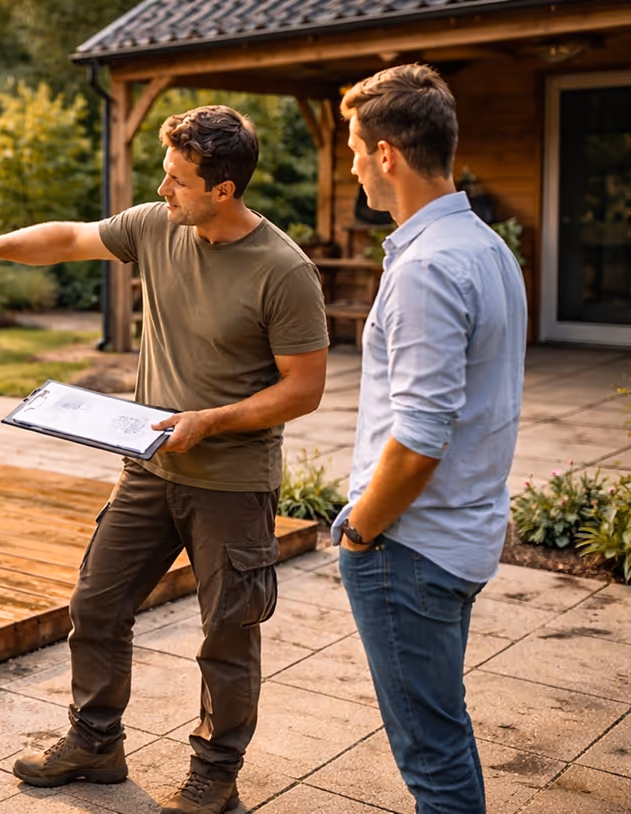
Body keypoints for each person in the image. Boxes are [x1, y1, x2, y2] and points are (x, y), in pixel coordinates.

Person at [0, 105, 329, 814]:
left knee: (227, 634)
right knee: (98, 602)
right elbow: (72, 237)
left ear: (223, 189)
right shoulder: (155, 225)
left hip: (230, 484)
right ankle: (95, 741)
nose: (163, 189)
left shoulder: (282, 271)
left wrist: (212, 423)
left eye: (177, 179)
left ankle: (216, 771)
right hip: (148, 468)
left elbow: (304, 388)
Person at [332, 64, 527, 813]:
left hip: (411, 550)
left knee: (433, 754)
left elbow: (418, 440)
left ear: (386, 154)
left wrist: (362, 533)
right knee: (443, 730)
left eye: (354, 149)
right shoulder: (485, 247)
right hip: (461, 534)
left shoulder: (428, 268)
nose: (351, 166)